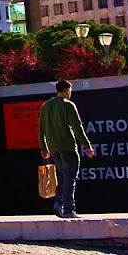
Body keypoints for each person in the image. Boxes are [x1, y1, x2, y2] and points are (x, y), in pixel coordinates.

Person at [38, 79, 95, 218]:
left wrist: (44, 147)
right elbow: (77, 128)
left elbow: (40, 128)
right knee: (70, 177)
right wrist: (87, 146)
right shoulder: (68, 105)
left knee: (63, 175)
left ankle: (58, 202)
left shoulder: (46, 106)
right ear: (67, 90)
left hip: (53, 148)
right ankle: (68, 208)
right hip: (68, 146)